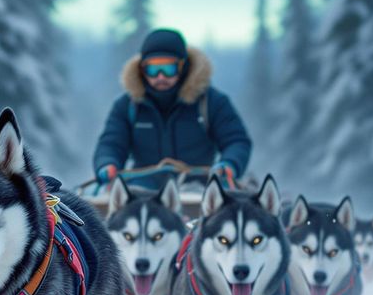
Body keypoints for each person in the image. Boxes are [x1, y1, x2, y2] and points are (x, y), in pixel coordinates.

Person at [93, 28, 253, 190]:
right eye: (153, 69)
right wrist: (107, 163)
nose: (160, 76)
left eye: (168, 69)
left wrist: (230, 163)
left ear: (183, 67)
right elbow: (111, 143)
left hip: (199, 187)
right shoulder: (127, 106)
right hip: (143, 189)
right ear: (142, 69)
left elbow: (236, 140)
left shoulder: (211, 102)